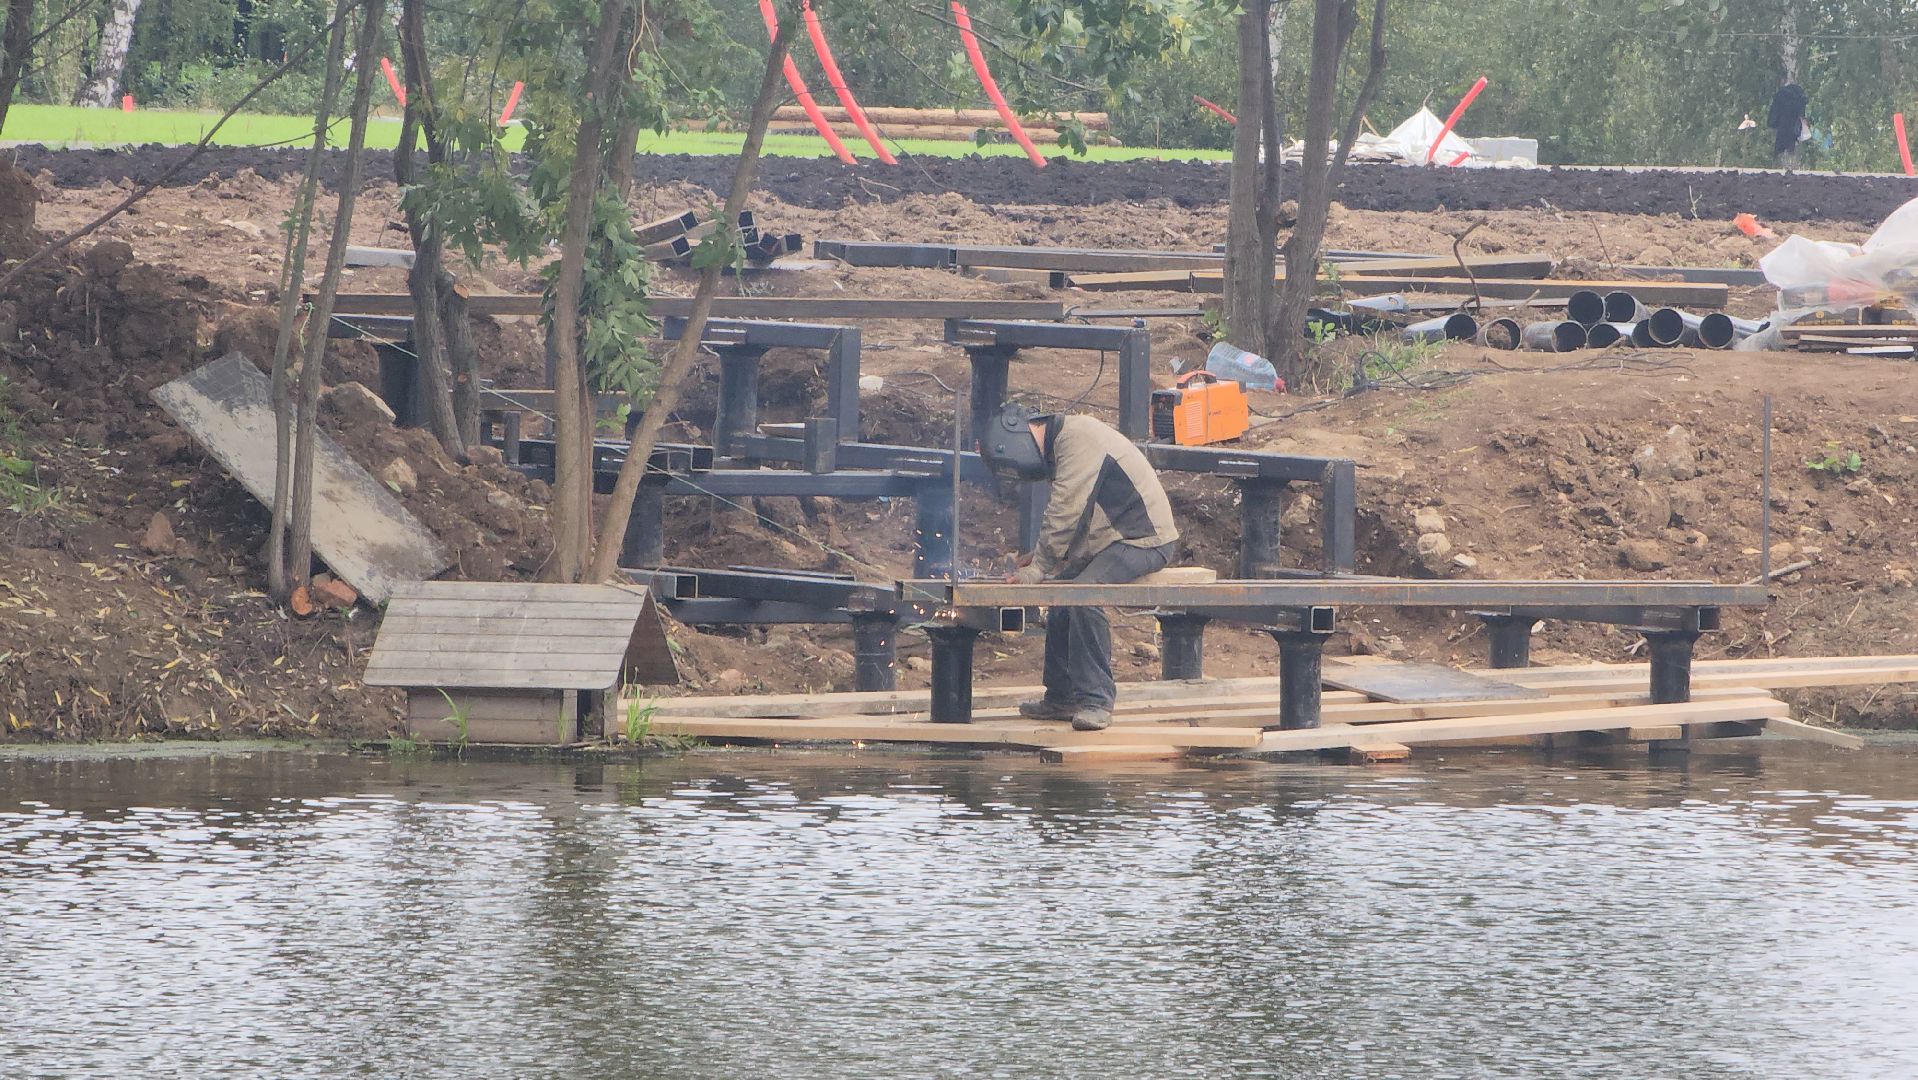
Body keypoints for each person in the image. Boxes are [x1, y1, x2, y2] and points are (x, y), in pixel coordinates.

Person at [978, 403, 1181, 731]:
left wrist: (1039, 567)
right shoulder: (1065, 442)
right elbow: (1083, 513)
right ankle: (1061, 697)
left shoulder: (1077, 438)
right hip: (1115, 539)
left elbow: (1066, 510)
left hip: (1144, 540)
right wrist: (1043, 558)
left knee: (1084, 597)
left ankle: (1097, 701)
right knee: (1063, 596)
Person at [1768, 81, 1809, 171]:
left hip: (1782, 125)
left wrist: (1773, 123)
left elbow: (1774, 111)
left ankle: (1780, 166)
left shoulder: (1780, 95)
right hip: (1793, 125)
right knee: (1792, 146)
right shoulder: (1799, 96)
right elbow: (1802, 111)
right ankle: (1792, 166)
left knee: (1780, 147)